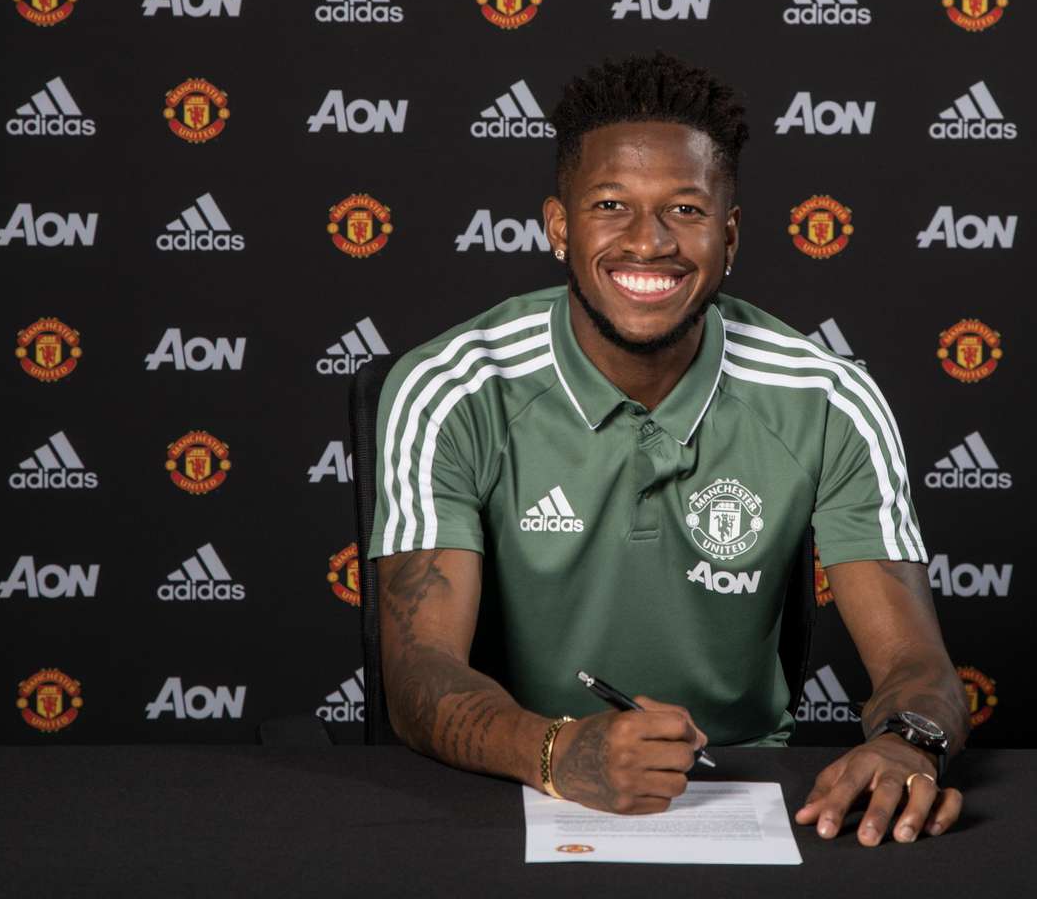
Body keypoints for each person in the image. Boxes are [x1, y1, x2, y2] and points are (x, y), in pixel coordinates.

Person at [368, 52, 969, 846]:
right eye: (610, 205)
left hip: (744, 793)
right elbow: (418, 674)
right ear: (559, 227)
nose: (647, 243)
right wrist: (557, 751)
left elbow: (915, 663)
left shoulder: (828, 398)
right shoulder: (451, 386)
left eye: (684, 210)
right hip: (506, 786)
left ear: (730, 235)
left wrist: (907, 744)